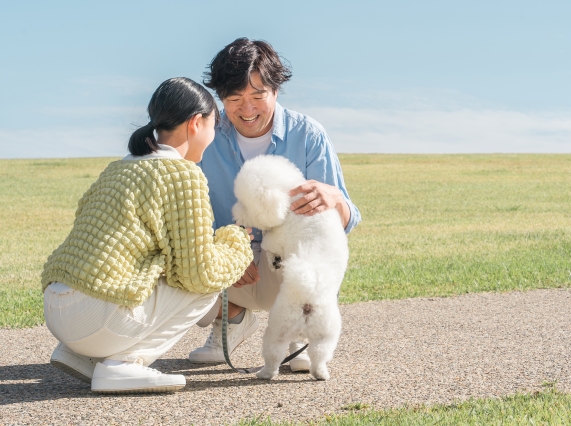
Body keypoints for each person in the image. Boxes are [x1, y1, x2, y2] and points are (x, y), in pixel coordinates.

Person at [41, 77, 253, 394]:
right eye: (214, 125)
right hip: (96, 318)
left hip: (58, 313)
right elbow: (199, 273)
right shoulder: (182, 174)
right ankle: (123, 365)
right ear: (196, 123)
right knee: (204, 289)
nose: (213, 136)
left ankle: (82, 355)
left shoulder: (119, 167)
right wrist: (236, 242)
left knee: (166, 272)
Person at [189, 38, 361, 371]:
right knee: (169, 257)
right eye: (234, 98)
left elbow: (343, 225)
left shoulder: (308, 135)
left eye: (258, 96)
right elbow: (189, 216)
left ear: (276, 91)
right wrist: (226, 255)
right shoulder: (205, 136)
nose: (247, 108)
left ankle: (299, 327)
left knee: (301, 260)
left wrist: (338, 201)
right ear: (220, 98)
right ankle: (232, 318)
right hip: (229, 262)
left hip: (285, 263)